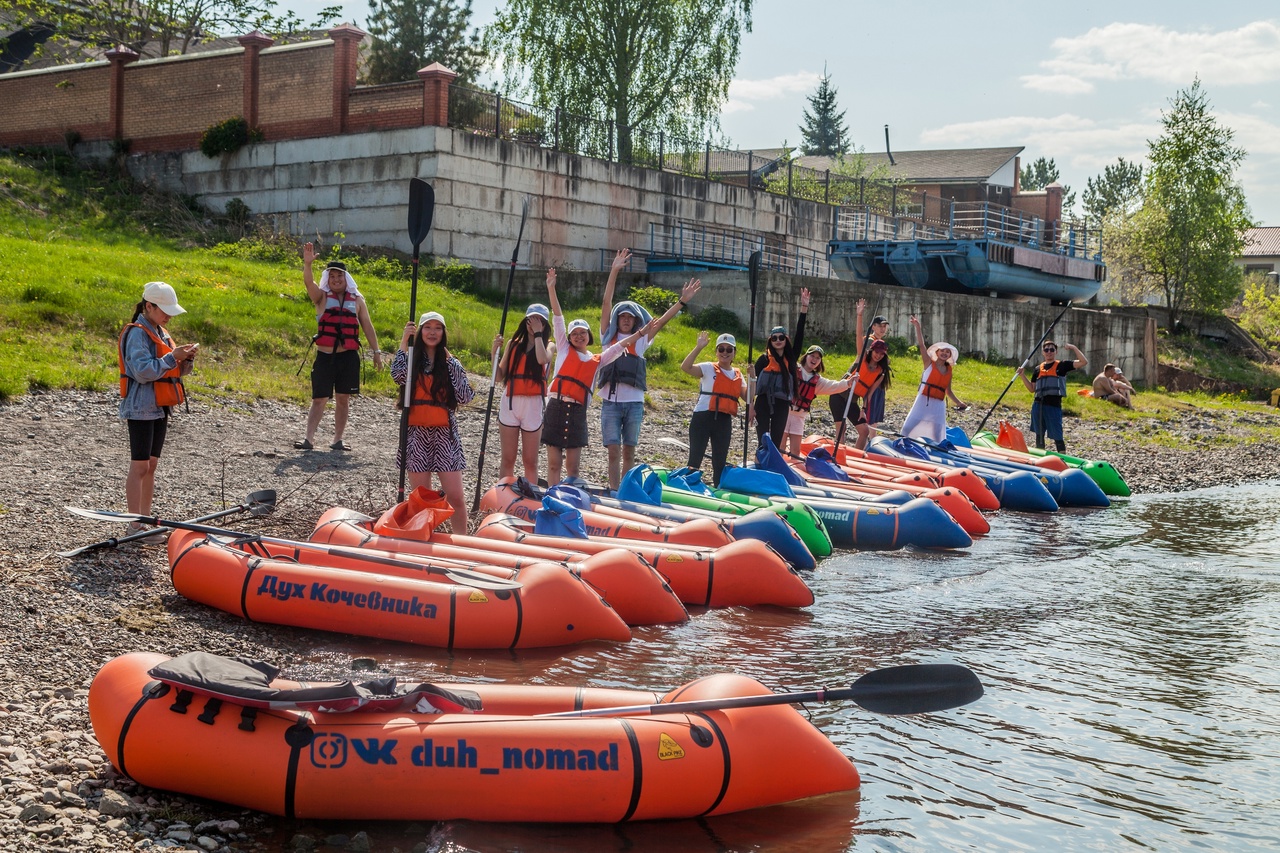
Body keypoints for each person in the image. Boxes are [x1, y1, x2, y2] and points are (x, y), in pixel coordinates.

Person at [598, 248, 701, 490]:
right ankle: (614, 492)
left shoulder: (641, 340)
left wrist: (682, 301)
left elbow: (662, 320)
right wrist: (614, 271)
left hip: (634, 403)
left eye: (630, 317)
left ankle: (624, 492)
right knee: (613, 451)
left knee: (629, 454)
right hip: (610, 403)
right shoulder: (607, 338)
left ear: (635, 321)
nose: (625, 319)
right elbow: (605, 302)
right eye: (622, 316)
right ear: (616, 319)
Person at [542, 268, 649, 485]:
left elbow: (619, 346)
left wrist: (639, 334)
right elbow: (558, 317)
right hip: (556, 405)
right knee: (554, 464)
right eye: (575, 333)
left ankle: (570, 496)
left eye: (583, 332)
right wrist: (551, 288)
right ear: (569, 338)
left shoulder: (597, 358)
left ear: (589, 336)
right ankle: (551, 497)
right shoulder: (563, 347)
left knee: (573, 468)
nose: (579, 336)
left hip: (578, 411)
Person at [118, 282, 199, 544]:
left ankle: (146, 520)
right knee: (140, 466)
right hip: (141, 407)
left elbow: (173, 372)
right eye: (164, 310)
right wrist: (171, 357)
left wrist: (186, 359)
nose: (169, 316)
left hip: (160, 407)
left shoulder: (161, 332)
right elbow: (143, 372)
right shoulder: (137, 334)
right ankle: (134, 525)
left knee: (151, 466)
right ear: (148, 306)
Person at [391, 312, 475, 533]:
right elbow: (397, 375)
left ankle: (462, 546)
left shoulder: (450, 362)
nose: (432, 332)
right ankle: (422, 540)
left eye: (438, 328)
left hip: (444, 435)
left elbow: (465, 396)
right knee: (421, 498)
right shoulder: (410, 358)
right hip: (416, 434)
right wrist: (403, 341)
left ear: (443, 333)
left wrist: (454, 365)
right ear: (419, 332)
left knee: (455, 497)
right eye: (427, 327)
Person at [297, 242, 382, 452]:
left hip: (348, 357)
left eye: (339, 276)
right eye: (332, 277)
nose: (336, 280)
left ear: (346, 278)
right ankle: (308, 439)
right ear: (328, 279)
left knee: (343, 398)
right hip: (325, 357)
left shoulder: (358, 300)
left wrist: (377, 352)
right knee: (320, 399)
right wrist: (308, 265)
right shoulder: (322, 297)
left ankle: (337, 440)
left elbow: (368, 327)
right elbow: (309, 284)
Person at [681, 331, 749, 487]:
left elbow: (749, 398)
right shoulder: (708, 368)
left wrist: (753, 378)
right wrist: (698, 347)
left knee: (719, 461)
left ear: (734, 353)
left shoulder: (738, 374)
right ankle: (689, 487)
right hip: (703, 418)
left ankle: (717, 489)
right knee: (695, 458)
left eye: (729, 349)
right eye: (721, 349)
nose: (725, 353)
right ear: (717, 352)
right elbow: (686, 367)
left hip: (724, 421)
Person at [493, 304, 551, 483]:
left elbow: (542, 359)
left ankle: (530, 497)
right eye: (530, 320)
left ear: (544, 324)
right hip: (511, 404)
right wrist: (494, 352)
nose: (533, 323)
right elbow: (498, 376)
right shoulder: (513, 344)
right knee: (508, 458)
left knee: (530, 461)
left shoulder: (549, 346)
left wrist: (538, 334)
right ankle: (503, 495)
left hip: (533, 405)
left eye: (538, 320)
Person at [751, 287, 810, 449]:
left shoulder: (791, 359)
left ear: (786, 339)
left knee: (776, 442)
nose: (778, 340)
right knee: (763, 440)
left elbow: (799, 336)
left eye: (781, 338)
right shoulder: (763, 360)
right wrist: (750, 407)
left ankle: (771, 467)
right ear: (771, 340)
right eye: (774, 338)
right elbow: (752, 384)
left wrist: (804, 309)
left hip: (782, 403)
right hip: (762, 402)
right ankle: (760, 464)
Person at [831, 299, 891, 449]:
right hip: (839, 395)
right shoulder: (862, 357)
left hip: (852, 400)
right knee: (841, 430)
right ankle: (838, 456)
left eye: (881, 354)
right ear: (871, 351)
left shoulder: (880, 373)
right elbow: (859, 336)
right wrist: (859, 315)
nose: (878, 356)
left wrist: (864, 410)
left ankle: (856, 459)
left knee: (864, 431)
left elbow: (868, 394)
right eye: (876, 352)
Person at [900, 316, 968, 443]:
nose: (944, 353)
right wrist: (918, 327)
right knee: (910, 425)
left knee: (937, 430)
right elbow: (921, 345)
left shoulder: (949, 370)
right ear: (937, 353)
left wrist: (959, 403)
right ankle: (902, 441)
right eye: (942, 351)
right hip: (923, 400)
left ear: (950, 356)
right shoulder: (929, 363)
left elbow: (948, 390)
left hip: (938, 404)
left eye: (947, 352)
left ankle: (937, 447)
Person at [784, 345, 851, 456]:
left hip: (799, 417)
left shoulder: (817, 381)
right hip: (784, 414)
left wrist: (848, 383)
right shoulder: (793, 369)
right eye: (812, 356)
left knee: (795, 452)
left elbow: (833, 386)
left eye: (818, 358)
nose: (814, 359)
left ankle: (792, 467)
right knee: (780, 447)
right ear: (806, 356)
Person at [1020, 339, 1087, 451]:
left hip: (1053, 406)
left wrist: (1073, 348)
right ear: (1043, 352)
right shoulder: (1037, 369)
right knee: (1039, 435)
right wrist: (1022, 375)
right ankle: (1040, 457)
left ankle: (1063, 458)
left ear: (1056, 352)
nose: (1049, 352)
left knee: (1057, 436)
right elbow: (1032, 389)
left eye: (1052, 349)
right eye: (1046, 349)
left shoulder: (1062, 365)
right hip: (1038, 406)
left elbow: (1083, 362)